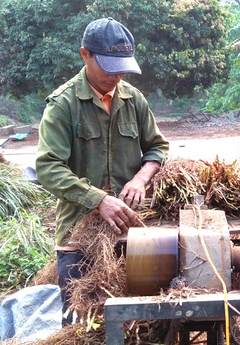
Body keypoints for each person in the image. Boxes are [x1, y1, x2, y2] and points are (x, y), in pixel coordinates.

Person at [35, 17, 169, 325]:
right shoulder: (63, 104)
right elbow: (47, 168)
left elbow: (157, 148)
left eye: (122, 67)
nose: (117, 75)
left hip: (131, 233)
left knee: (141, 327)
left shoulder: (133, 100)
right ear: (85, 55)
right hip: (79, 239)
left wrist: (141, 177)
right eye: (109, 67)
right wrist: (98, 199)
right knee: (81, 329)